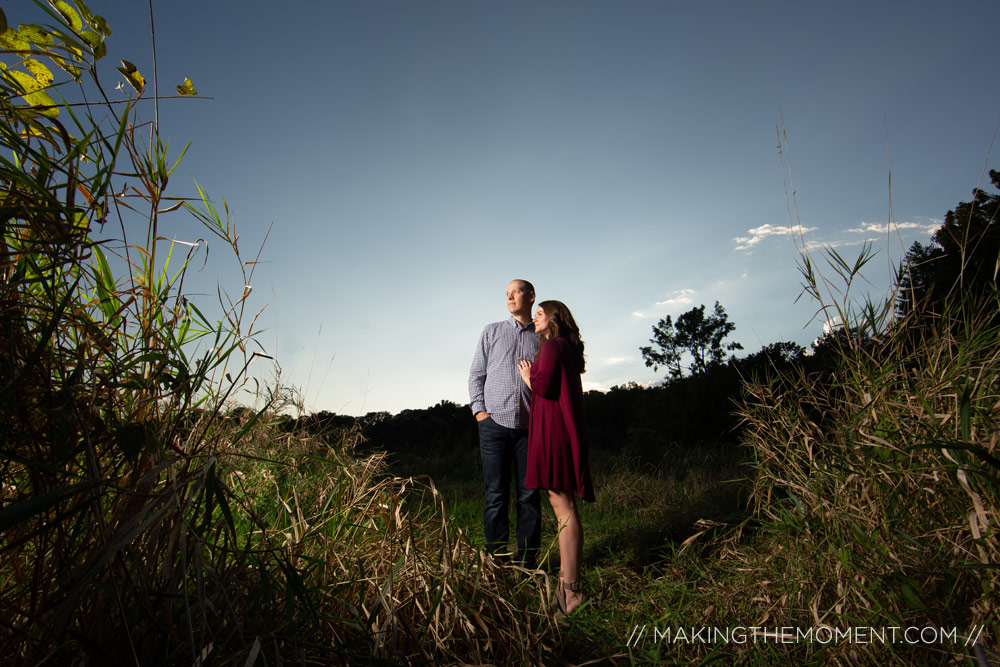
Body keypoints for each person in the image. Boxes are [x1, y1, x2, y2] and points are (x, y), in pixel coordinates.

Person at [517, 300, 594, 617]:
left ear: (554, 319)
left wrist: (527, 375)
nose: (535, 319)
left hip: (552, 431)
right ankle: (566, 582)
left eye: (539, 315)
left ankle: (572, 591)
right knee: (562, 505)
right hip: (561, 428)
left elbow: (544, 388)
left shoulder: (550, 347)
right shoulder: (566, 348)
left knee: (562, 507)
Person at [468, 279, 542, 569]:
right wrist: (480, 414)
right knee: (496, 496)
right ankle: (497, 563)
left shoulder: (543, 335)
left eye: (516, 291)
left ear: (532, 296)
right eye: (507, 293)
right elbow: (476, 375)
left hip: (531, 429)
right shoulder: (492, 331)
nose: (510, 296)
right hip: (493, 426)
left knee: (529, 497)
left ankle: (527, 563)